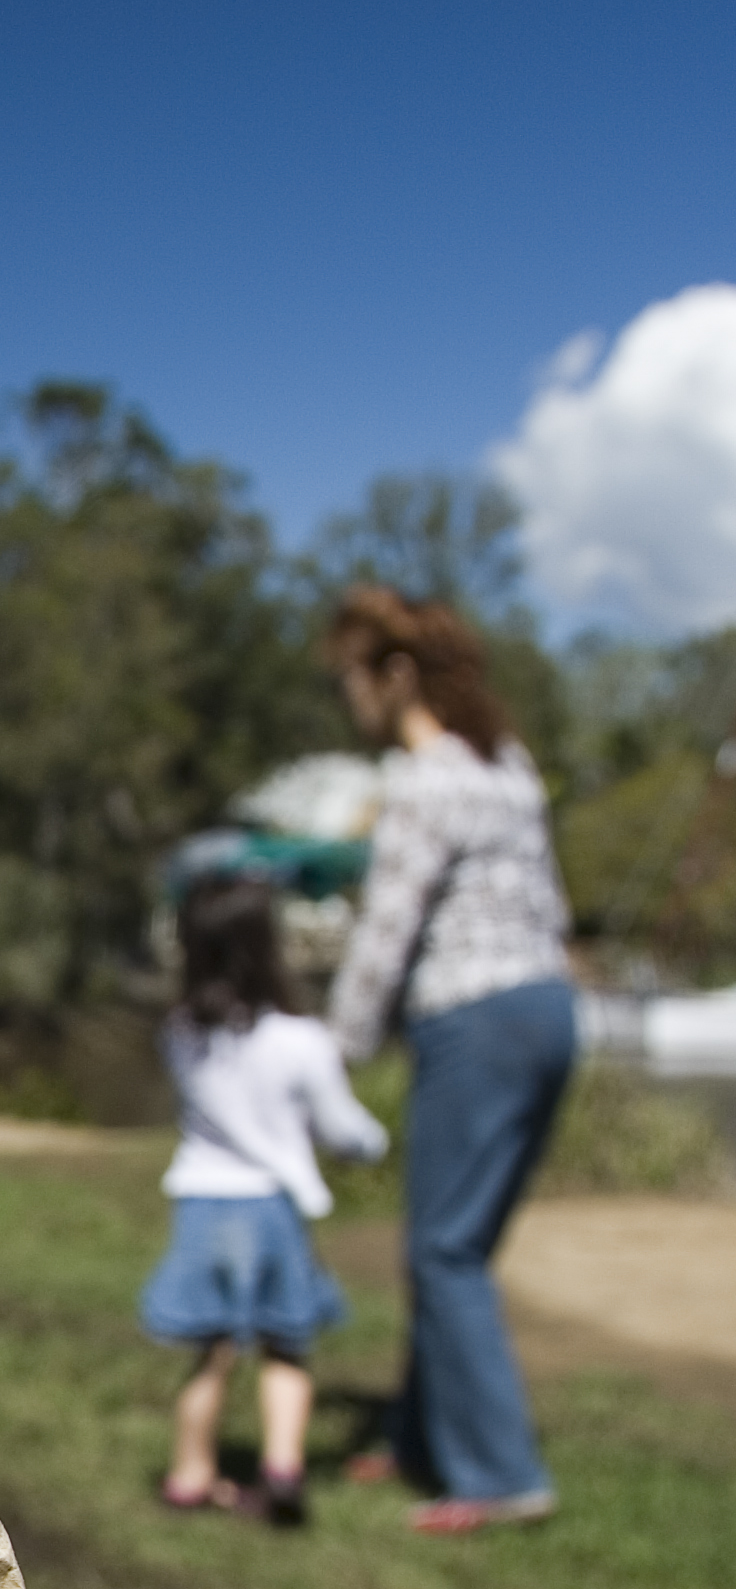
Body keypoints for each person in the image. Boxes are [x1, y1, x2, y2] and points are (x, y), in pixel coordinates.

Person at [325, 585, 577, 1533]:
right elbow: (548, 907)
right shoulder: (507, 764)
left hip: (474, 1020)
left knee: (443, 1247)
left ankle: (501, 1474)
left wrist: (335, 1056)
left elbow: (388, 932)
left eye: (352, 677)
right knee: (457, 1242)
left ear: (394, 675)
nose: (349, 699)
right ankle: (424, 1435)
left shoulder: (425, 780)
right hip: (549, 1008)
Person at [141, 873, 389, 1525]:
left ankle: (191, 1473)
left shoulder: (180, 1034)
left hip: (201, 1202)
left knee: (212, 1349)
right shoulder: (300, 1040)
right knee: (286, 1343)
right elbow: (343, 1128)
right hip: (269, 1208)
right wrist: (372, 1143)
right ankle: (283, 1469)